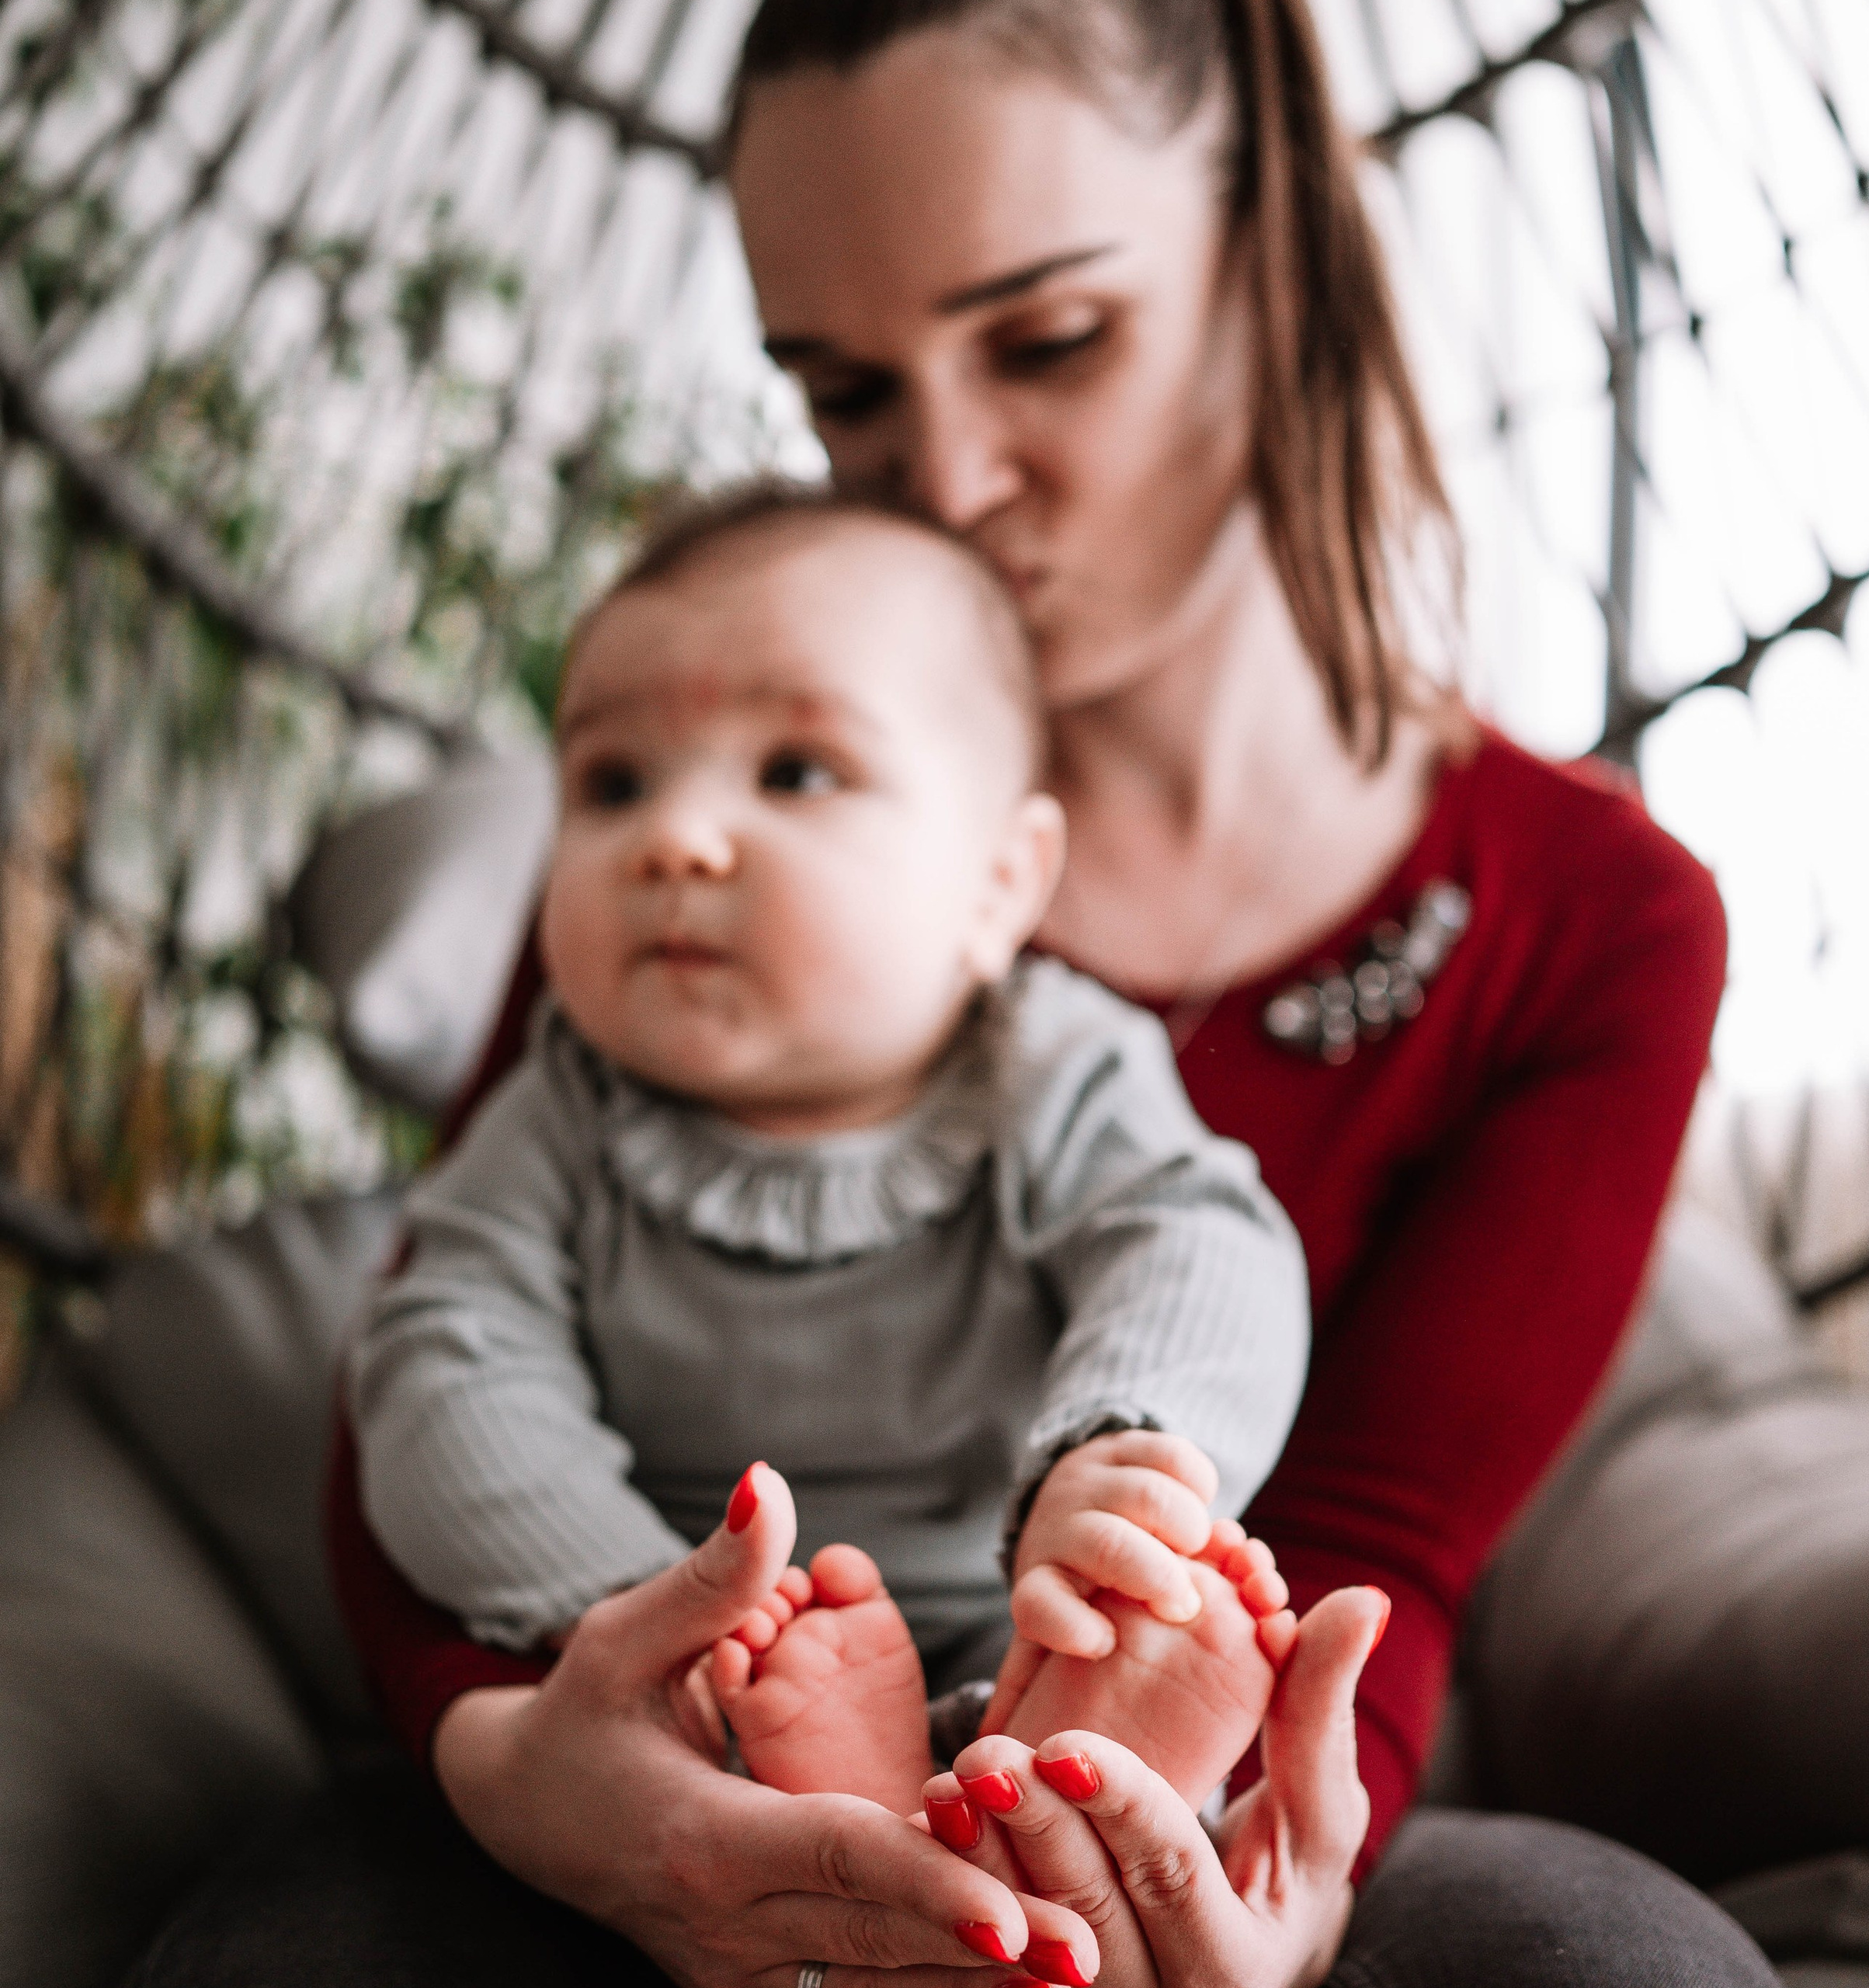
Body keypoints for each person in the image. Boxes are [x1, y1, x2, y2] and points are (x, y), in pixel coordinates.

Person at [133, 2, 1777, 1984]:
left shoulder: (1587, 920)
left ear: (1270, 251)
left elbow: (1364, 1553)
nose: (943, 483)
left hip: (1161, 1760)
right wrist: (552, 1758)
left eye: (1048, 340)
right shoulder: (711, 835)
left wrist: (1213, 1834)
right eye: (844, 395)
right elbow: (434, 1370)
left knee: (1605, 1959)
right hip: (640, 1734)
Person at [349, 485, 1311, 1826]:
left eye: (795, 771)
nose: (674, 839)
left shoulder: (1051, 1062)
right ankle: (868, 1771)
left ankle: (1094, 1734)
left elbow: (1201, 1241)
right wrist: (662, 1620)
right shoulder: (561, 1110)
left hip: (1008, 1622)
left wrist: (1126, 1456)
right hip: (683, 1678)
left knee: (1124, 1617)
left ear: (997, 885)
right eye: (610, 782)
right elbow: (446, 1370)